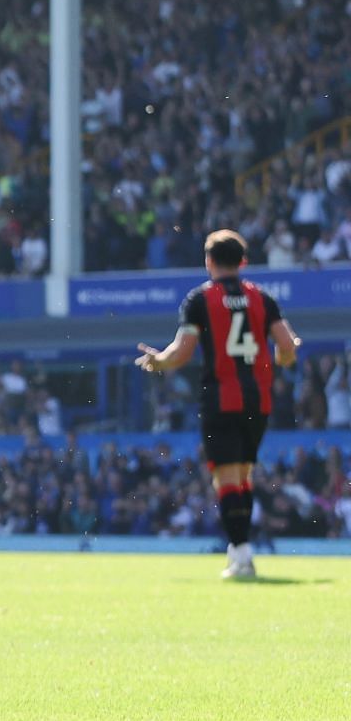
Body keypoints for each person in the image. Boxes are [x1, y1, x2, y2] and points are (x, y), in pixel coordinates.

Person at [136, 229, 301, 580]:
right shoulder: (263, 298)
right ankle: (240, 549)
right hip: (259, 399)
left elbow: (180, 353)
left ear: (209, 261)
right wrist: (284, 358)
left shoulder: (200, 300)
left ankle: (241, 555)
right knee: (243, 475)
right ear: (242, 262)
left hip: (221, 399)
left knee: (226, 477)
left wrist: (157, 362)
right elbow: (287, 344)